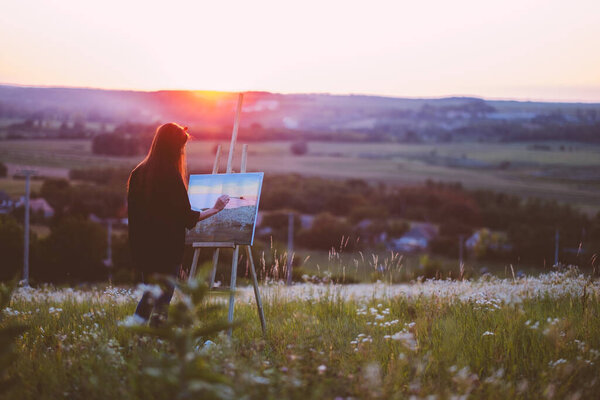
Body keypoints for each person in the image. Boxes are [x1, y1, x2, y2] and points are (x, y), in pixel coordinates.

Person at [126, 122, 229, 327]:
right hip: (166, 249)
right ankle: (153, 341)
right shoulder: (170, 175)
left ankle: (137, 338)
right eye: (181, 147)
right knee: (162, 300)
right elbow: (186, 217)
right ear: (174, 147)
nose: (182, 152)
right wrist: (215, 209)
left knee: (150, 296)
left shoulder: (139, 173)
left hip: (143, 249)